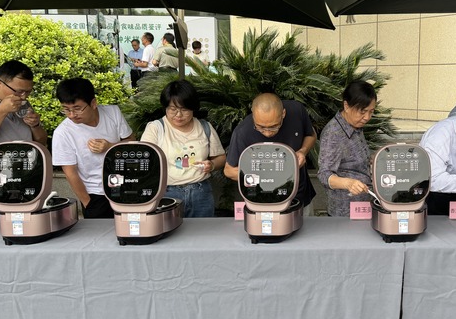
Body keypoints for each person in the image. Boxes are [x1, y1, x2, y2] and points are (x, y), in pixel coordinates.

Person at [52, 78, 135, 218]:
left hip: (125, 187)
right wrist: (88, 203)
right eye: (66, 109)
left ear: (93, 103)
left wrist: (110, 147)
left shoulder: (113, 112)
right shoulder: (63, 133)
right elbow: (70, 173)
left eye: (77, 108)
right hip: (95, 195)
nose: (72, 115)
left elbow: (132, 143)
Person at [141, 80, 226, 217]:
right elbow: (144, 161)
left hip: (201, 192)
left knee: (203, 229)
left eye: (184, 109)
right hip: (167, 193)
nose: (178, 115)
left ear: (193, 108)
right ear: (165, 107)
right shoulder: (155, 128)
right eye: (172, 109)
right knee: (170, 229)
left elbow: (221, 157)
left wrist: (212, 165)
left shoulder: (204, 127)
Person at [224, 93, 317, 214]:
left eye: (274, 126)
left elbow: (311, 135)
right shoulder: (243, 132)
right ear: (253, 114)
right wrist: (264, 177)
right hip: (261, 201)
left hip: (299, 196)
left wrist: (302, 151)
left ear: (283, 113)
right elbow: (229, 170)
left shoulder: (297, 111)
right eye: (260, 127)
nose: (267, 133)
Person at [318, 81, 376, 217]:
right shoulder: (334, 133)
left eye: (371, 112)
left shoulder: (355, 125)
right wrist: (349, 183)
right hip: (345, 211)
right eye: (362, 112)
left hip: (362, 206)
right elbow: (324, 174)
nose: (367, 117)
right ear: (346, 106)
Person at [0, 60, 47, 145]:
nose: (23, 97)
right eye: (19, 91)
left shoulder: (23, 104)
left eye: (28, 92)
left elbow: (42, 143)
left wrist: (35, 126)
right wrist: (1, 111)